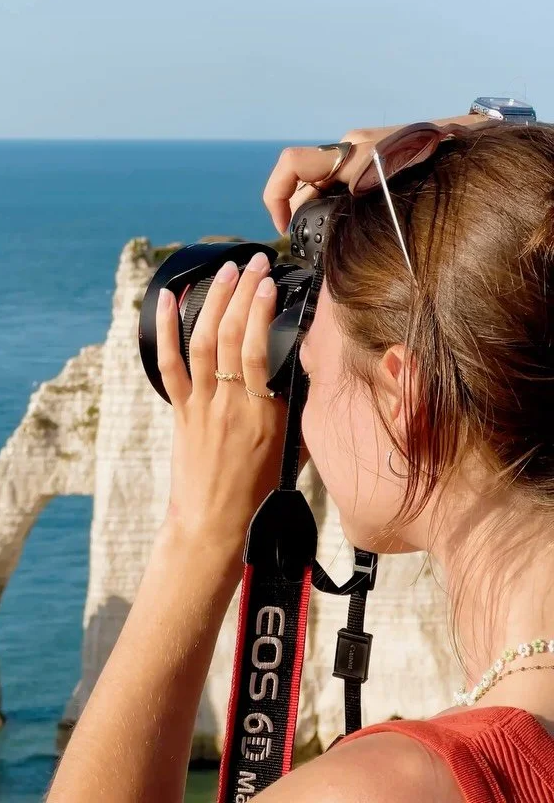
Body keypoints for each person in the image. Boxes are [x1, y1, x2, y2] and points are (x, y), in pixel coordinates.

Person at [47, 117, 554, 802]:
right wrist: (479, 152)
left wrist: (203, 534)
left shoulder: (391, 790)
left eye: (309, 366)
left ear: (408, 396)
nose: (301, 412)